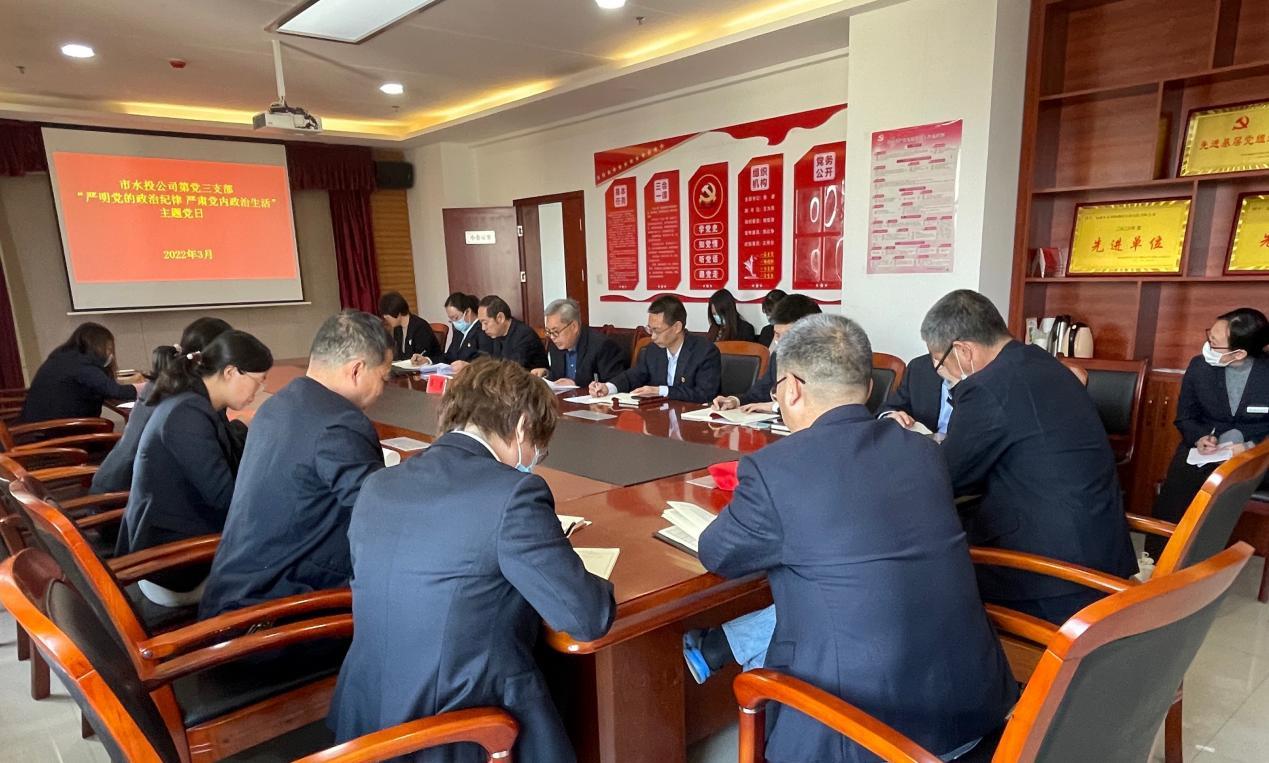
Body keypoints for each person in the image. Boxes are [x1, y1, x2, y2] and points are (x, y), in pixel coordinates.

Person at [686, 315, 1017, 763]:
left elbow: (717, 554)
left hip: (866, 736)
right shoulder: (923, 451)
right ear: (867, 387)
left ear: (791, 389)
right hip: (975, 708)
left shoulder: (776, 470)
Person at [329, 358, 615, 762]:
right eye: (539, 446)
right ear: (521, 427)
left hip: (365, 716)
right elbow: (587, 618)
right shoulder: (514, 495)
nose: (536, 457)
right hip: (454, 730)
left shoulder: (378, 484)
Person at [921, 289, 1136, 624]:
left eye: (939, 360)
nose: (940, 370)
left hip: (1051, 578)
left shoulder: (987, 387)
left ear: (963, 351)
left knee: (928, 572)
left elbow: (947, 476)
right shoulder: (1044, 362)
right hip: (1102, 556)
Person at [199, 312, 393, 619]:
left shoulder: (276, 405)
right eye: (383, 378)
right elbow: (382, 518)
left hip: (234, 597)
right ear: (356, 370)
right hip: (278, 617)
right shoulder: (341, 423)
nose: (382, 391)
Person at [115, 330, 273, 606]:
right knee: (294, 557)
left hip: (178, 545)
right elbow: (226, 499)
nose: (258, 391)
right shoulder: (187, 414)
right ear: (231, 372)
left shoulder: (195, 402)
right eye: (258, 381)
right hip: (176, 565)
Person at [1146, 308, 1269, 559]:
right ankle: (1156, 559)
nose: (1208, 344)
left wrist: (1251, 447)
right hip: (1208, 451)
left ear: (1239, 353)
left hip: (1258, 456)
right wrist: (1200, 437)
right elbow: (1185, 418)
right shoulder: (1199, 367)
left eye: (1215, 341)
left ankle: (1209, 560)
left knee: (1227, 491)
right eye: (1209, 335)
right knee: (1178, 485)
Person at [91, 317, 235, 495]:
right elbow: (219, 487)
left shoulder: (169, 383)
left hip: (119, 485)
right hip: (119, 499)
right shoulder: (188, 405)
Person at [589, 295, 721, 403]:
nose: (652, 337)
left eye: (657, 330)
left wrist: (660, 391)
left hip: (691, 421)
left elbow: (704, 394)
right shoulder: (652, 350)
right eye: (650, 329)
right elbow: (632, 376)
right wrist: (608, 387)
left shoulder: (705, 351)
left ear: (677, 327)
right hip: (659, 417)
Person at [711, 294, 820, 411]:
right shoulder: (777, 356)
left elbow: (816, 406)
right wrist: (735, 401)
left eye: (787, 336)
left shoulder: (825, 361)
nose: (779, 341)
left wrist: (775, 407)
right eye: (777, 334)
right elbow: (758, 393)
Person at [18, 322, 143, 423]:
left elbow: (98, 384)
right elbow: (115, 392)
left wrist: (127, 382)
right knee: (113, 433)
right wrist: (148, 387)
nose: (110, 354)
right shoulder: (83, 366)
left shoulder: (64, 358)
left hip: (37, 427)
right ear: (97, 346)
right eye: (108, 349)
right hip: (56, 433)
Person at [532, 298, 627, 385]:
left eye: (555, 331)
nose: (552, 337)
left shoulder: (602, 346)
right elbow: (558, 377)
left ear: (574, 327)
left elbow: (613, 385)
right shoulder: (556, 345)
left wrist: (576, 386)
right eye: (549, 331)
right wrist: (547, 374)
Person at [452, 294, 547, 372]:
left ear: (500, 318)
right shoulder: (497, 334)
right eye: (481, 323)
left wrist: (473, 368)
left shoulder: (524, 335)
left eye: (485, 323)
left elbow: (509, 369)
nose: (483, 328)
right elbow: (491, 361)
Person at [879, 353, 953, 436]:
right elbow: (892, 407)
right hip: (924, 441)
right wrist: (893, 416)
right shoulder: (919, 367)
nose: (936, 364)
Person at [379, 291, 441, 364]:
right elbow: (399, 354)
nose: (386, 320)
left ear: (397, 314)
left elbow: (420, 356)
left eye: (387, 317)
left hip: (426, 367)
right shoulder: (397, 328)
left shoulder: (420, 327)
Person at [440, 292, 485, 364]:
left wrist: (467, 366)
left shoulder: (483, 330)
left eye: (455, 318)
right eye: (451, 319)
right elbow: (449, 357)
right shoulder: (458, 332)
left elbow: (484, 362)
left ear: (468, 312)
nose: (454, 322)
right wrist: (428, 360)